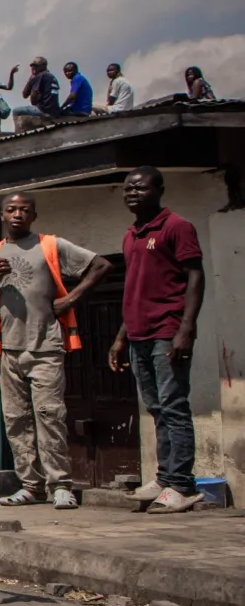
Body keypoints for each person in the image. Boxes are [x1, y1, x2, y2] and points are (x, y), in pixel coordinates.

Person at [0, 193, 110, 509]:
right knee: (16, 420)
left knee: (50, 416)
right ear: (2, 215)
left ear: (34, 215)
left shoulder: (50, 245)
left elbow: (101, 265)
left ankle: (60, 485)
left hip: (45, 345)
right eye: (11, 210)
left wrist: (72, 298)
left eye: (24, 210)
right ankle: (30, 486)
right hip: (7, 348)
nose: (17, 215)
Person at [109, 167, 206, 513]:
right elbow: (135, 289)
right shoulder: (131, 235)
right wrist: (121, 337)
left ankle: (182, 484)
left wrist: (186, 328)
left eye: (141, 187)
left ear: (159, 190)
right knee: (156, 409)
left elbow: (195, 276)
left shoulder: (177, 227)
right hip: (138, 334)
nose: (133, 193)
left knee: (174, 405)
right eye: (127, 188)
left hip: (168, 331)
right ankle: (165, 477)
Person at [12, 57, 59, 125]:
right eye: (32, 66)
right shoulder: (51, 76)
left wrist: (32, 78)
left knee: (15, 111)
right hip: (54, 111)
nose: (33, 68)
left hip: (44, 110)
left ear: (43, 66)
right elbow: (25, 95)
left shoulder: (40, 75)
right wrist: (31, 79)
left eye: (36, 66)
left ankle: (19, 132)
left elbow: (32, 99)